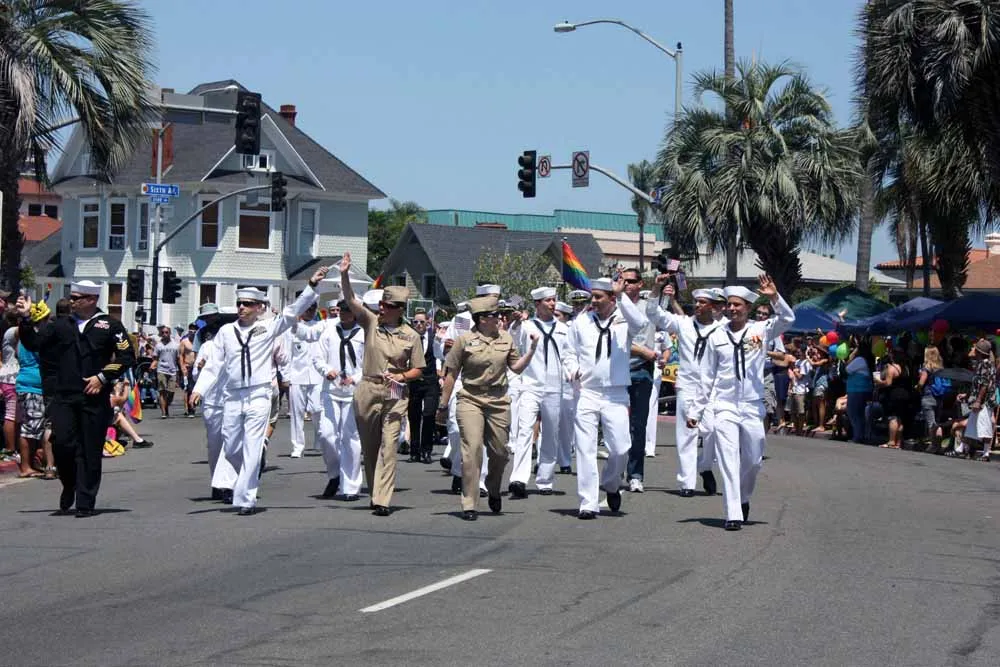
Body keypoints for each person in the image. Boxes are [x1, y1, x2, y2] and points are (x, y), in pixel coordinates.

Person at [190, 270, 325, 515]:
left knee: (252, 446)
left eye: (248, 304)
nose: (242, 307)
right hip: (232, 396)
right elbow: (214, 365)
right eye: (240, 303)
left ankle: (246, 499)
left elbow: (293, 311)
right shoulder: (226, 332)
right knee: (232, 447)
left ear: (260, 308)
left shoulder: (268, 327)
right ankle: (244, 476)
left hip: (258, 394)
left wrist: (312, 285)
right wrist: (199, 389)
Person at [16, 281, 136, 517]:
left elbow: (126, 356)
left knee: (90, 450)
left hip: (94, 397)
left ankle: (85, 501)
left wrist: (102, 377)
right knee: (62, 444)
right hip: (65, 395)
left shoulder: (109, 325)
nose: (71, 302)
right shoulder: (61, 324)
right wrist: (26, 318)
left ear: (91, 299)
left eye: (76, 298)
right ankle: (69, 484)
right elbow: (34, 343)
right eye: (70, 297)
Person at [688, 275, 794, 531]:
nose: (732, 308)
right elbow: (707, 376)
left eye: (737, 305)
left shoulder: (761, 330)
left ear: (747, 307)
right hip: (724, 405)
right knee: (728, 459)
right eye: (729, 304)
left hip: (751, 405)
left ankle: (744, 497)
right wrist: (696, 410)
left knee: (754, 460)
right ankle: (733, 513)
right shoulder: (716, 335)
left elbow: (788, 319)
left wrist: (774, 297)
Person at [337, 253, 425, 517]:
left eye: (387, 306)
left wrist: (403, 377)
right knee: (371, 446)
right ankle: (376, 490)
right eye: (381, 305)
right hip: (368, 389)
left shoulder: (411, 336)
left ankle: (382, 499)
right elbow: (351, 301)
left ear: (399, 309)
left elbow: (419, 369)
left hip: (395, 393)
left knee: (389, 445)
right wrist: (344, 274)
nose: (382, 309)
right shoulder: (371, 322)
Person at [438, 295, 537, 520]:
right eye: (495, 315)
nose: (500, 318)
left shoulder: (505, 338)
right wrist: (443, 405)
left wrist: (531, 350)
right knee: (472, 450)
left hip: (498, 400)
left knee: (500, 452)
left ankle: (493, 487)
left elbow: (516, 368)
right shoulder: (464, 340)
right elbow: (451, 374)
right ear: (482, 319)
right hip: (471, 398)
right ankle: (469, 503)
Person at [563, 275, 648, 519]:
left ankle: (611, 483)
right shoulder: (581, 322)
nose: (594, 301)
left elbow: (641, 323)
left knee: (621, 448)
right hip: (587, 392)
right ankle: (587, 503)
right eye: (593, 297)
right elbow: (568, 352)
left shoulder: (624, 319)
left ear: (612, 298)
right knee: (585, 449)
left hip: (615, 392)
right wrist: (572, 370)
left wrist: (622, 296)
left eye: (599, 297)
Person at [646, 280, 728, 497]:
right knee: (687, 434)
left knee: (712, 430)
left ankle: (705, 466)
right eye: (696, 302)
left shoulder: (723, 329)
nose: (698, 305)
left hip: (713, 389)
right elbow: (654, 314)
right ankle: (687, 482)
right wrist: (657, 291)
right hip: (687, 385)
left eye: (703, 302)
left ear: (713, 306)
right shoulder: (683, 323)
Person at [509, 286, 567, 497]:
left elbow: (569, 355)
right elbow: (513, 341)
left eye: (553, 300)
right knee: (524, 430)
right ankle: (518, 478)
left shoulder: (564, 329)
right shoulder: (526, 326)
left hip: (554, 387)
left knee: (550, 433)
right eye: (547, 300)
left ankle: (545, 479)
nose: (552, 304)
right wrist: (516, 323)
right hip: (530, 385)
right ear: (537, 304)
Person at [313, 300, 365, 500]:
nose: (343, 314)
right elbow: (318, 358)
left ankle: (350, 487)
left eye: (348, 311)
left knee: (350, 438)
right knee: (326, 435)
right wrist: (327, 370)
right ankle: (335, 474)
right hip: (331, 390)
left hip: (354, 390)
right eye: (341, 310)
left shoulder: (363, 334)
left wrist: (356, 378)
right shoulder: (329, 332)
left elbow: (370, 362)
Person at [190, 303, 236, 502]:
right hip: (213, 402)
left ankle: (229, 485)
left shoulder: (241, 344)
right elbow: (196, 373)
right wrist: (199, 369)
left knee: (232, 443)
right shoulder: (207, 346)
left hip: (235, 400)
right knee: (215, 445)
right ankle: (217, 484)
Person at [619, 269, 657, 494]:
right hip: (618, 370)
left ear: (640, 284)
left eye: (631, 281)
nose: (626, 284)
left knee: (638, 425)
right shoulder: (615, 307)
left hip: (642, 371)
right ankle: (617, 468)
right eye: (623, 281)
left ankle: (635, 474)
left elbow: (661, 301)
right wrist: (642, 350)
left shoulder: (649, 307)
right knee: (617, 424)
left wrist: (661, 286)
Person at [14, 301, 55, 479]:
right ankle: (25, 466)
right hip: (33, 386)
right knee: (30, 428)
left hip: (26, 383)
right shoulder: (35, 338)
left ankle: (31, 463)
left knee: (33, 426)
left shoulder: (24, 337)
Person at [284, 300, 324, 458]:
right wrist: (286, 376)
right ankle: (297, 446)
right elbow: (286, 354)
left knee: (317, 409)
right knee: (297, 413)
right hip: (297, 375)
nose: (310, 311)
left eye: (313, 308)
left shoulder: (320, 327)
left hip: (317, 375)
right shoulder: (292, 329)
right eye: (307, 309)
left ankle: (319, 440)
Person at [407, 308, 441, 464]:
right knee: (413, 416)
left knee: (429, 414)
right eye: (416, 322)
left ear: (428, 322)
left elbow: (440, 355)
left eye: (422, 321)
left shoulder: (435, 337)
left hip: (430, 381)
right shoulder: (409, 337)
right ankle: (414, 451)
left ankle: (426, 450)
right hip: (414, 381)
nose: (419, 324)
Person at [959, 338, 996, 462]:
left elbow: (984, 384)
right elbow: (977, 384)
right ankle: (966, 449)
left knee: (984, 426)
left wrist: (978, 401)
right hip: (980, 400)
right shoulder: (982, 364)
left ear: (979, 352)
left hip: (984, 402)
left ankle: (985, 453)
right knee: (972, 425)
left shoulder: (985, 364)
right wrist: (967, 395)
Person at [875, 348, 910, 449]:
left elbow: (888, 383)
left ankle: (891, 441)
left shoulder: (891, 368)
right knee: (900, 419)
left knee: (893, 418)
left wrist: (878, 382)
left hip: (894, 395)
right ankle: (898, 442)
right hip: (905, 395)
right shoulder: (905, 368)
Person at [845, 340, 875, 444]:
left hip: (857, 390)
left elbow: (847, 369)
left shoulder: (859, 360)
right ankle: (860, 435)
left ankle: (857, 436)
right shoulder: (864, 360)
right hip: (860, 390)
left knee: (853, 413)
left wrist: (852, 354)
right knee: (859, 414)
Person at [917, 346, 946, 453]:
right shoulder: (941, 368)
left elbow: (921, 383)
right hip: (939, 398)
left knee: (931, 423)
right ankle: (938, 445)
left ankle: (933, 445)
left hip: (928, 396)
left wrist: (917, 387)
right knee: (937, 422)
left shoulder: (927, 367)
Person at [151, 325, 180, 418]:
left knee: (171, 392)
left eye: (166, 332)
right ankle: (163, 412)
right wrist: (152, 365)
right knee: (162, 391)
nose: (164, 334)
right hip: (161, 370)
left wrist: (181, 371)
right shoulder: (158, 345)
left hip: (172, 370)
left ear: (170, 333)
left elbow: (178, 359)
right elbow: (156, 358)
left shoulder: (175, 345)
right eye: (163, 332)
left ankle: (166, 405)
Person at [179, 323, 196, 417]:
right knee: (188, 388)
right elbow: (181, 355)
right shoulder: (184, 342)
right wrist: (182, 367)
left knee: (196, 388)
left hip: (197, 367)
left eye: (194, 330)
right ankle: (190, 409)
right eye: (191, 330)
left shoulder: (199, 341)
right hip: (188, 366)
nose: (193, 331)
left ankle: (193, 405)